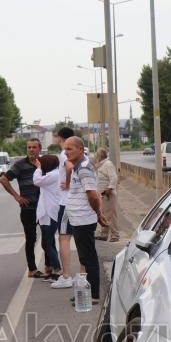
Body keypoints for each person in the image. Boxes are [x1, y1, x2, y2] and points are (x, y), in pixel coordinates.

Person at [64, 136, 108, 303]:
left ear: (80, 150)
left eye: (70, 149)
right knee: (84, 257)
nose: (66, 152)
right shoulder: (78, 167)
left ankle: (94, 295)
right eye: (65, 149)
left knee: (88, 258)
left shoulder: (83, 168)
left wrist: (98, 214)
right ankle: (89, 292)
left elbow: (93, 195)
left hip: (83, 219)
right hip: (78, 219)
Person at [0, 138, 44, 278]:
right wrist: (16, 196)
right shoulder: (20, 165)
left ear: (39, 149)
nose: (31, 150)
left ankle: (49, 267)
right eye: (29, 147)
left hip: (44, 207)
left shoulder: (44, 163)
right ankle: (32, 269)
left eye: (34, 147)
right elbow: (4, 179)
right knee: (31, 239)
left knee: (48, 237)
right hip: (28, 208)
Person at [50, 127, 76, 289]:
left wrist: (66, 182)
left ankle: (66, 275)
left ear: (60, 138)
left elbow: (69, 168)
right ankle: (81, 275)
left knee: (64, 238)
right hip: (76, 202)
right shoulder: (79, 152)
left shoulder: (63, 154)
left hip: (66, 203)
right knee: (78, 238)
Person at [32, 154, 62, 281]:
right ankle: (55, 270)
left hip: (49, 213)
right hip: (47, 213)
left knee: (47, 244)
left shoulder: (54, 175)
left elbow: (36, 181)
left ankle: (58, 271)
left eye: (42, 163)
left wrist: (38, 168)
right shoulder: (54, 174)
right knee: (50, 243)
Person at [93, 147, 119, 242]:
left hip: (108, 194)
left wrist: (109, 189)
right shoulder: (101, 165)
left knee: (111, 215)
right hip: (102, 194)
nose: (95, 156)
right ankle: (104, 234)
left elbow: (114, 178)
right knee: (104, 214)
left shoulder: (108, 164)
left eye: (96, 155)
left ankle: (115, 235)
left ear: (100, 156)